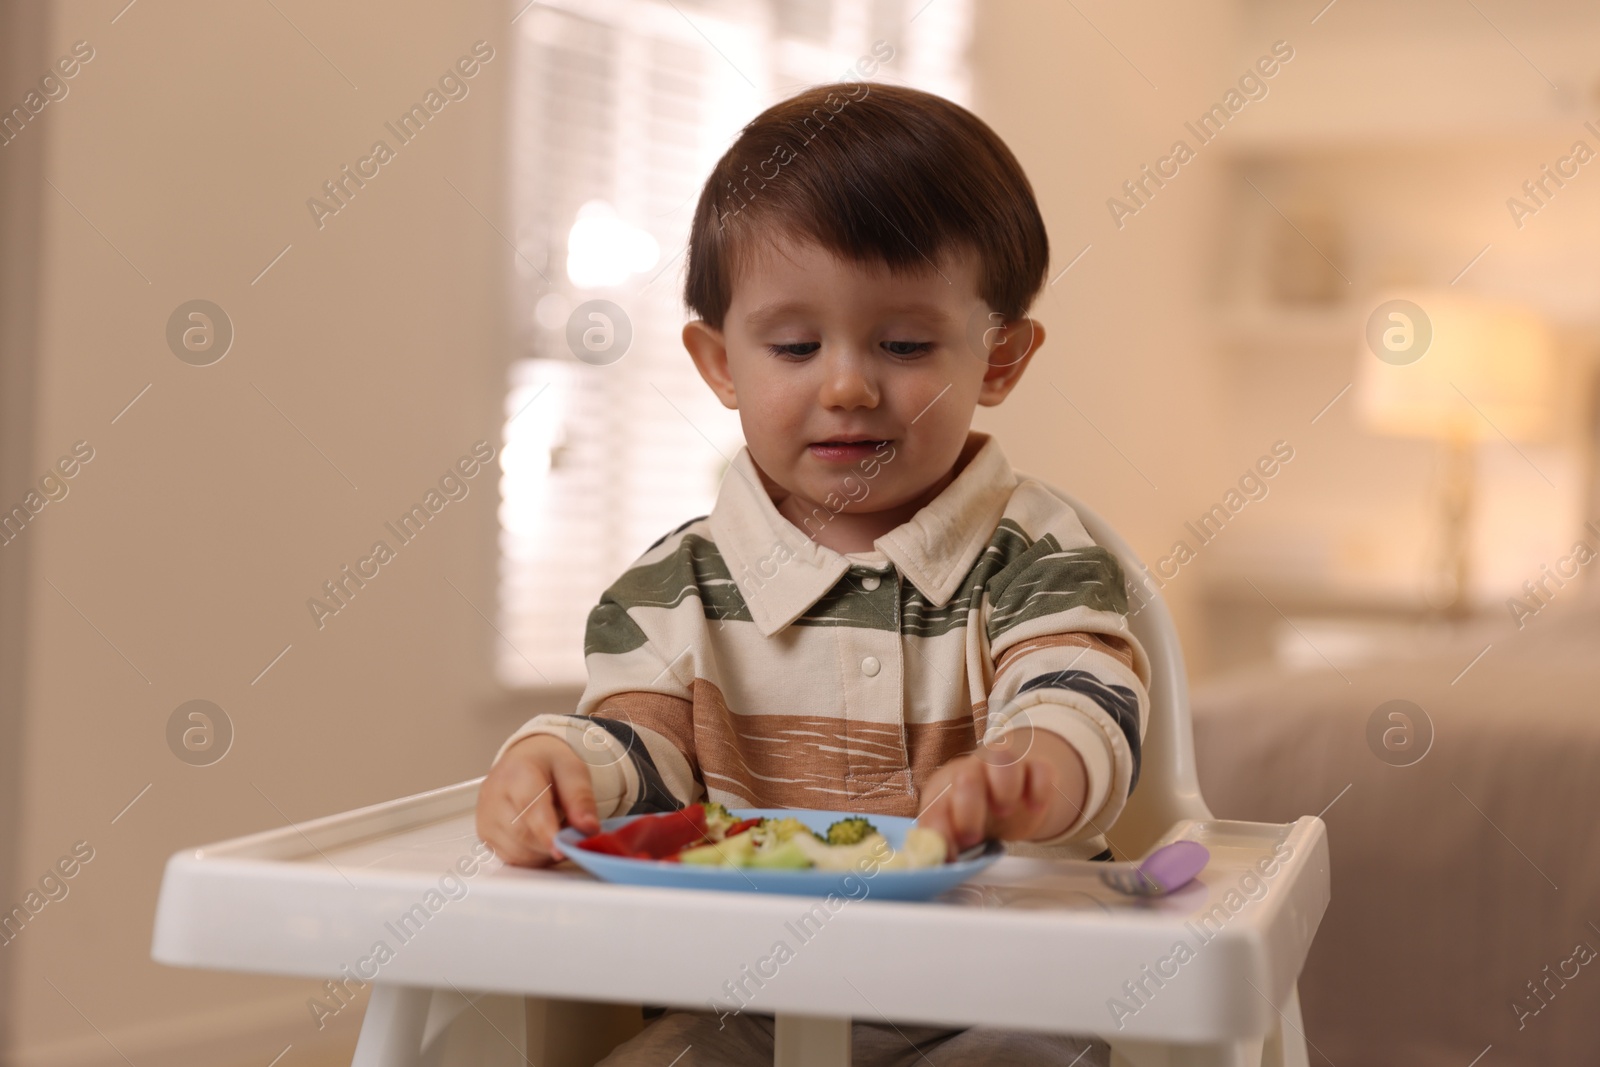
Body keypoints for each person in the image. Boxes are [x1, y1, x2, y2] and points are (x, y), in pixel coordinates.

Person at [476, 81, 1146, 1066]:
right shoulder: (675, 587)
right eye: (794, 345)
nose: (846, 385)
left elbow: (1078, 691)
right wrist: (563, 768)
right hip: (748, 1000)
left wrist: (1026, 767)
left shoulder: (1036, 556)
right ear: (719, 362)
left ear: (997, 357)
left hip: (1002, 990)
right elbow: (642, 751)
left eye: (905, 344)